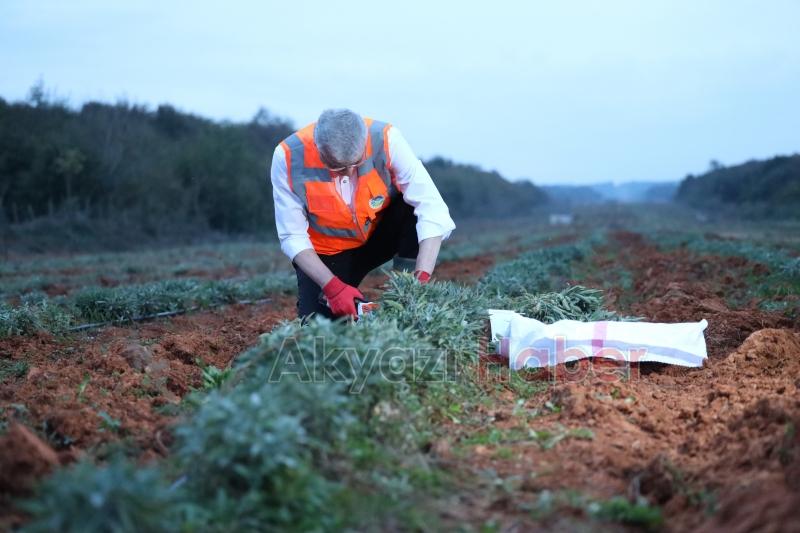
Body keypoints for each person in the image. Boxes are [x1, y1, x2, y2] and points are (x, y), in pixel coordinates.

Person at [270, 108, 455, 319]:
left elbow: (431, 207)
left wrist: (420, 279)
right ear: (319, 150)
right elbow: (292, 236)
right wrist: (332, 287)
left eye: (357, 163)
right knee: (317, 324)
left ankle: (406, 293)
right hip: (328, 253)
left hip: (378, 236)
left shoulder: (387, 139)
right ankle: (361, 308)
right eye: (338, 168)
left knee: (412, 205)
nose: (350, 172)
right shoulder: (287, 157)